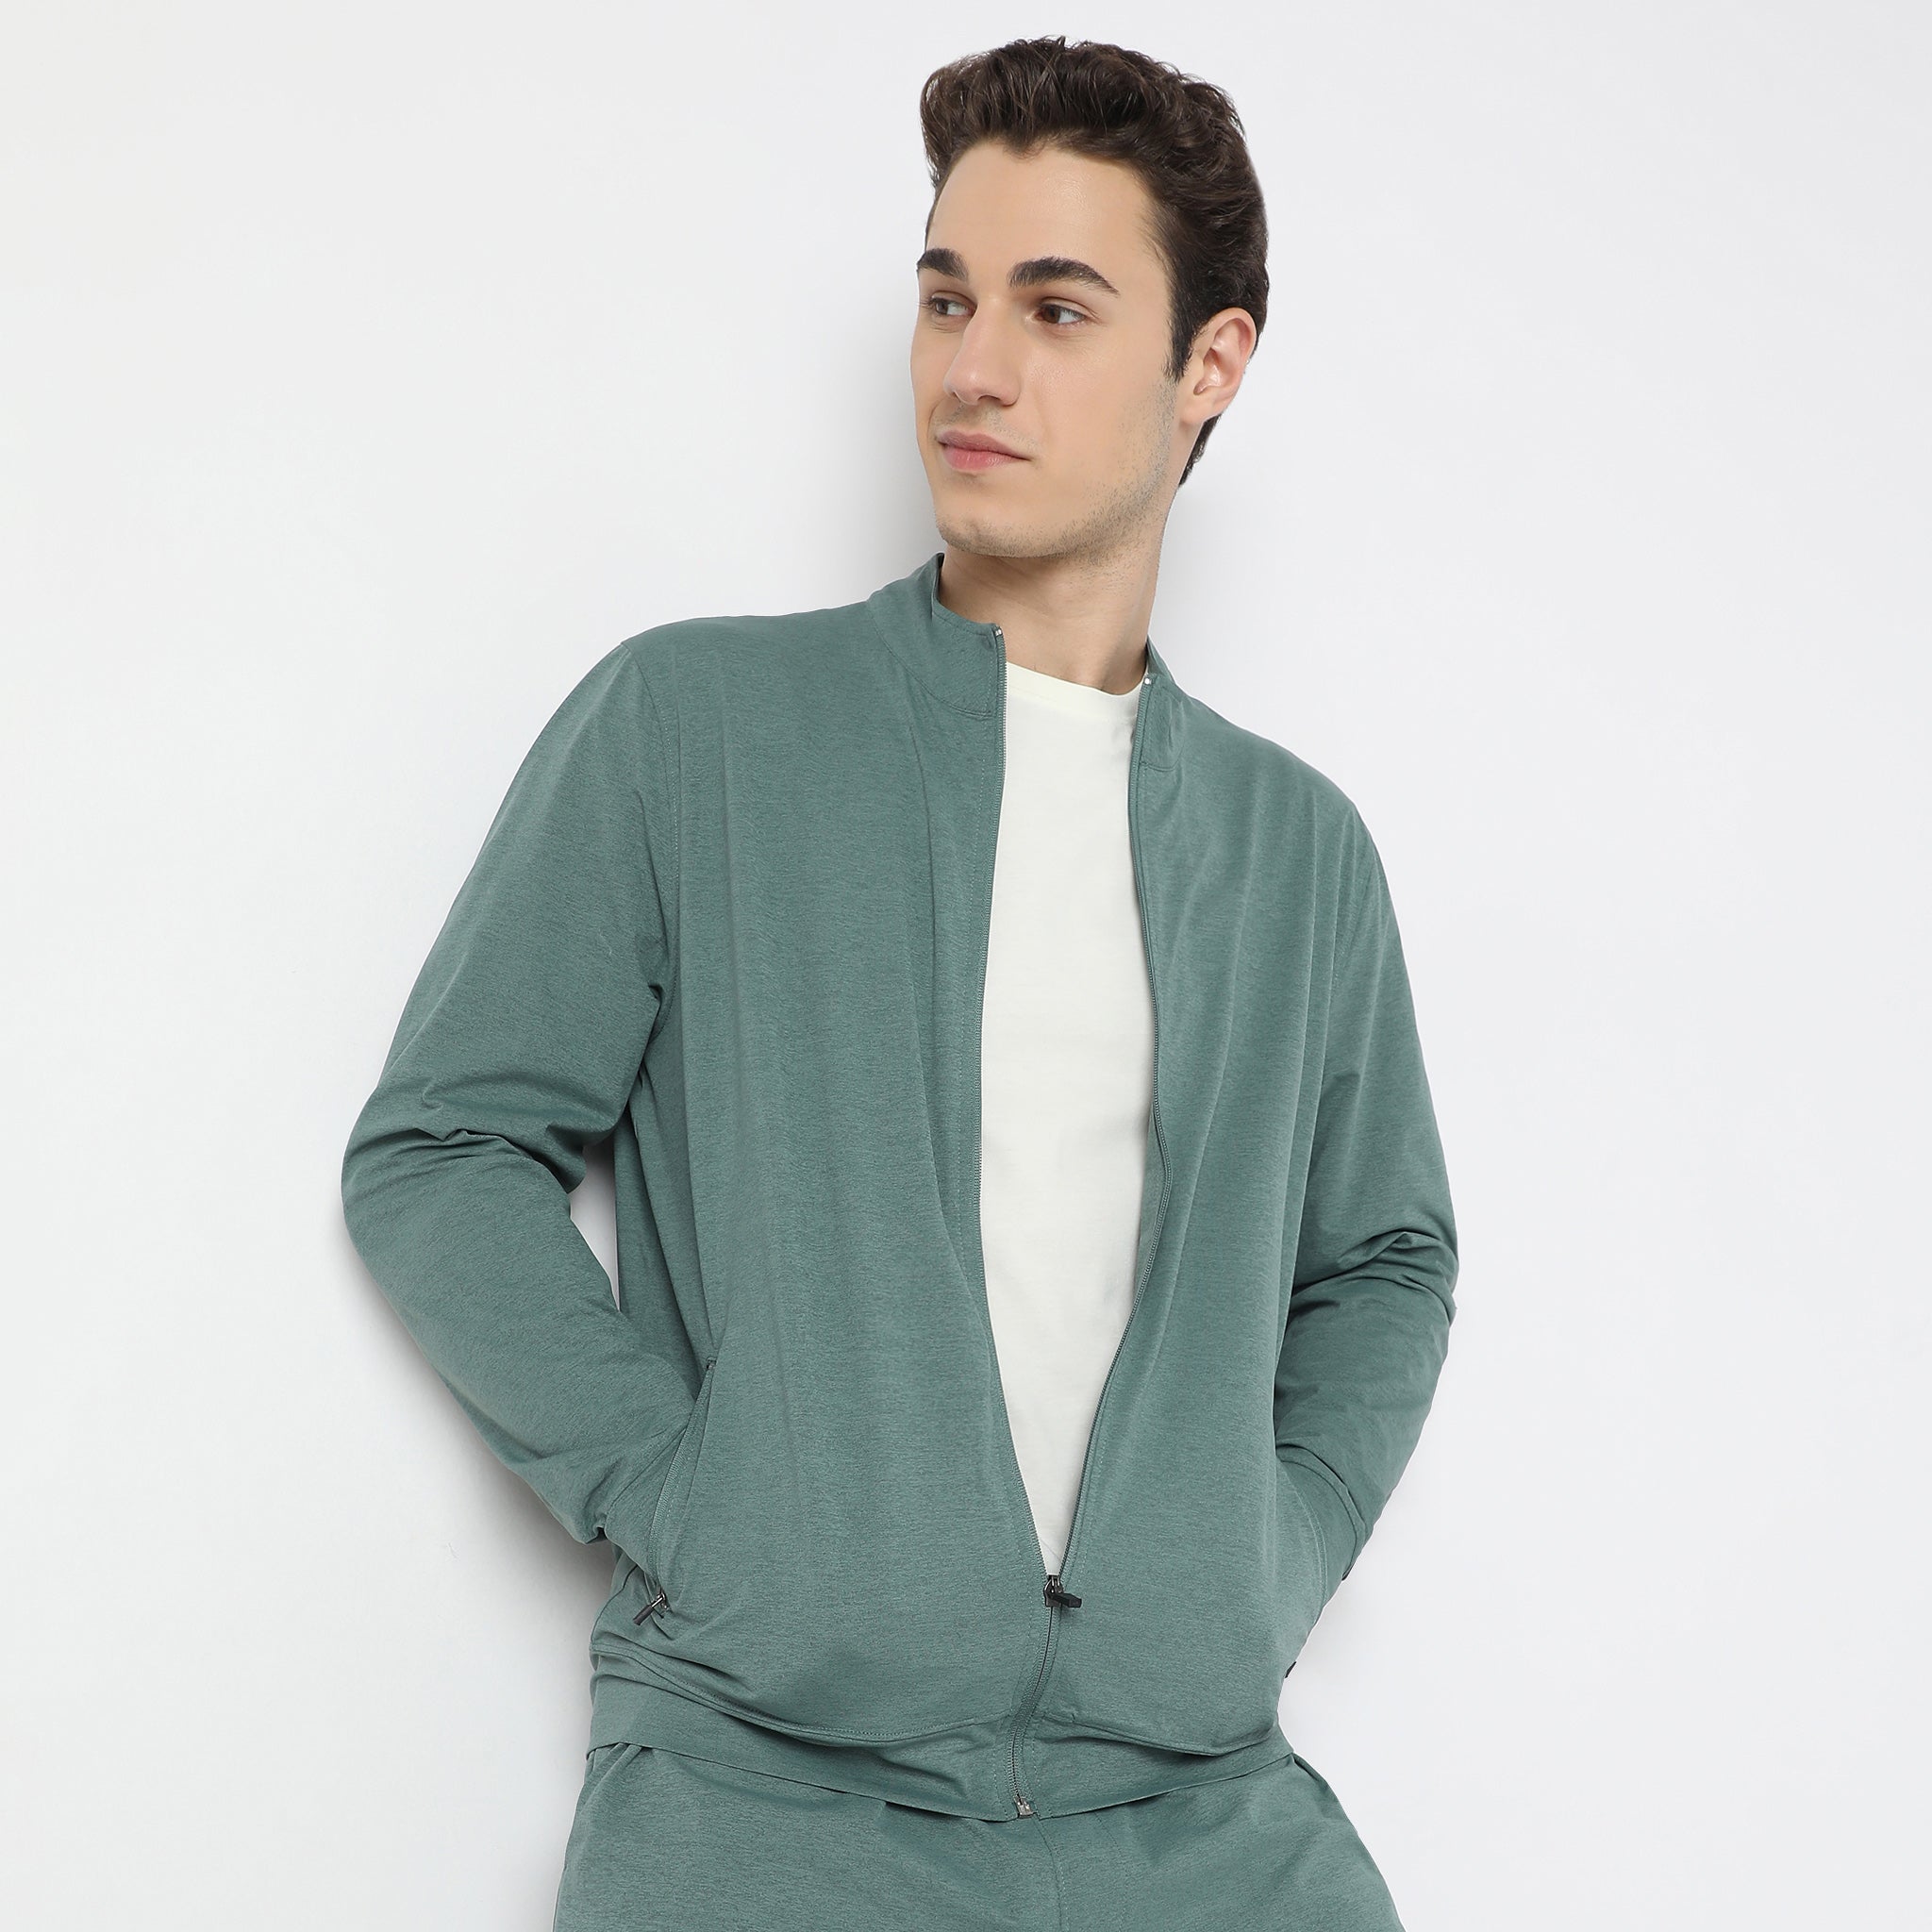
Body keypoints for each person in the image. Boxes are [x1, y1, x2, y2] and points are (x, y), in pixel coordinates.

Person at [341, 33, 1458, 1931]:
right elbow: (443, 1146)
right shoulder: (695, 727)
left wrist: (1266, 1555)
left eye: (1055, 308)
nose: (972, 368)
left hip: (1197, 1812)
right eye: (946, 298)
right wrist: (695, 1499)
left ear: (1210, 363)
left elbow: (1386, 1260)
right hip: (763, 1799)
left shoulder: (1297, 851)